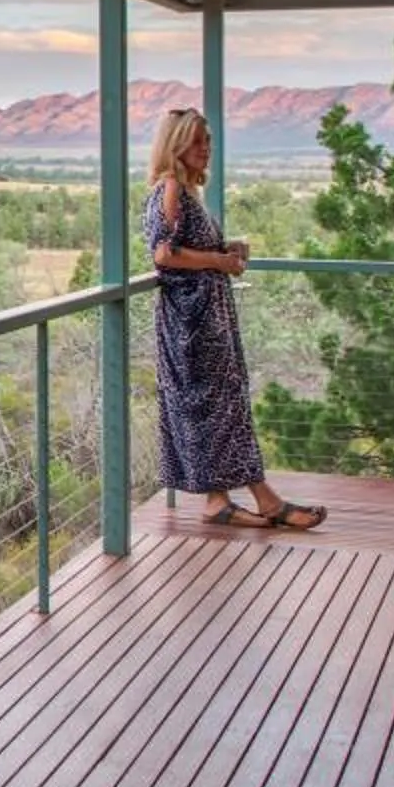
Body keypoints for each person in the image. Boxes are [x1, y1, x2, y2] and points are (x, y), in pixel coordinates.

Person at [143, 107, 323, 531]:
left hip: (205, 317)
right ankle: (265, 501)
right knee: (221, 406)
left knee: (221, 407)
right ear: (177, 145)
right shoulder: (169, 188)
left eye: (208, 141)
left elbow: (188, 248)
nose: (207, 149)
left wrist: (228, 249)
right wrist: (219, 262)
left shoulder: (186, 192)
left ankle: (221, 501)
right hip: (192, 324)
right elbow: (164, 253)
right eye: (199, 141)